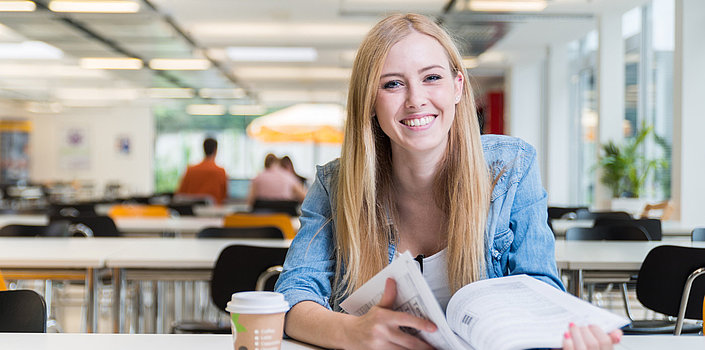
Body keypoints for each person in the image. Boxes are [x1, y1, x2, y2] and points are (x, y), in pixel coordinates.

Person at [274, 13, 622, 350]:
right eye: (392, 83)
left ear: (458, 87)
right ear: (369, 102)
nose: (415, 100)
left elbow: (539, 289)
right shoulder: (335, 185)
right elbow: (292, 295)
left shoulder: (512, 168)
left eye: (432, 78)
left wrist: (563, 338)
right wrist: (353, 333)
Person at [176, 137, 228, 205]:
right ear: (215, 150)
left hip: (191, 212)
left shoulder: (190, 170)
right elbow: (225, 197)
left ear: (203, 149)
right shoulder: (220, 172)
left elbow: (180, 194)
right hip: (214, 213)